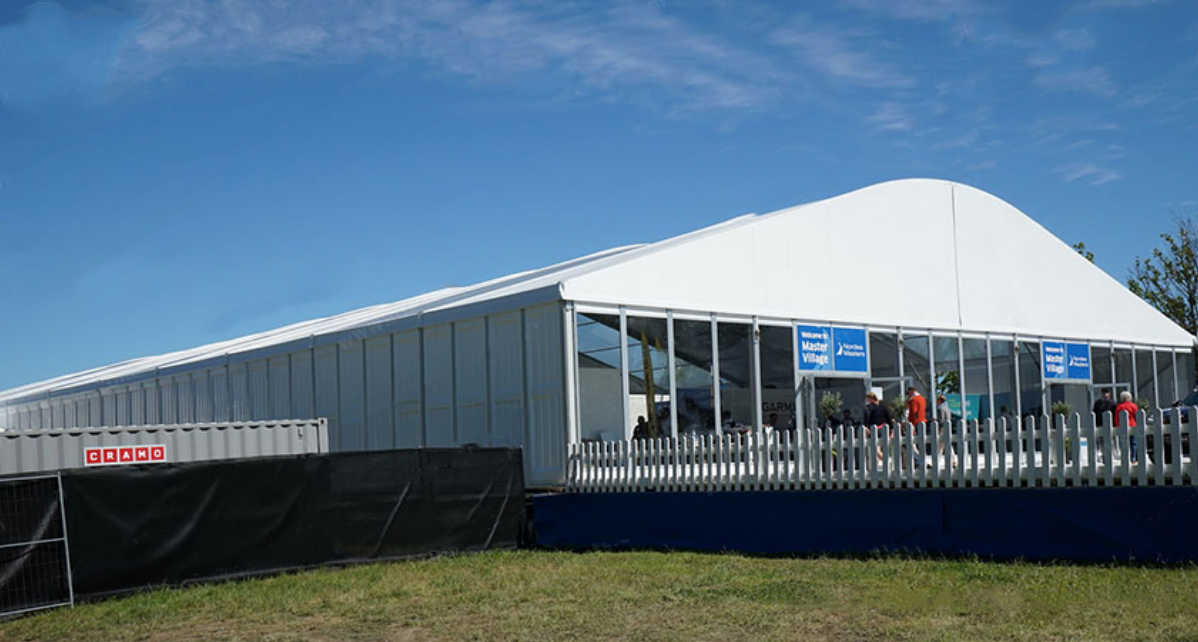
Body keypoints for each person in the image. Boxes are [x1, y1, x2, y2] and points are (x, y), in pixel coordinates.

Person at [1114, 391, 1140, 464]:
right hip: (1133, 425)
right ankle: (1133, 458)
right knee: (1134, 443)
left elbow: (1116, 417)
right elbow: (1137, 416)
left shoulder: (1119, 407)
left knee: (1124, 443)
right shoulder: (1133, 406)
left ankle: (1125, 458)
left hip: (1122, 426)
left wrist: (1118, 425)